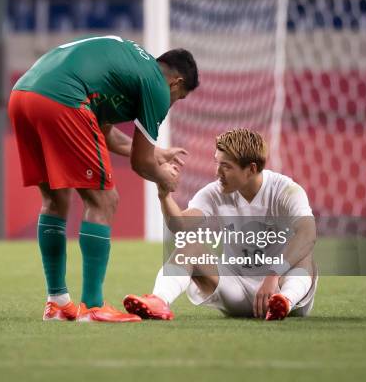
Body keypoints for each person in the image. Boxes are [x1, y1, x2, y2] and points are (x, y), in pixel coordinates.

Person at [8, 35, 199, 322]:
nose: (173, 102)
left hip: (23, 95)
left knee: (55, 199)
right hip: (63, 99)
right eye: (179, 98)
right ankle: (94, 306)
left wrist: (157, 153)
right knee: (104, 200)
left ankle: (58, 302)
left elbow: (106, 132)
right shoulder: (158, 87)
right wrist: (164, 178)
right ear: (176, 83)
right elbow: (140, 162)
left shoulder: (130, 67)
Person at [123, 129, 318, 321]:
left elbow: (308, 234)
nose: (217, 172)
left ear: (251, 168)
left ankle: (283, 302)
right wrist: (164, 195)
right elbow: (179, 225)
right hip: (236, 290)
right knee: (189, 246)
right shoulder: (215, 192)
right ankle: (159, 301)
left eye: (226, 166)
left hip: (280, 286)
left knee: (304, 253)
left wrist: (273, 275)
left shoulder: (286, 190)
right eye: (217, 163)